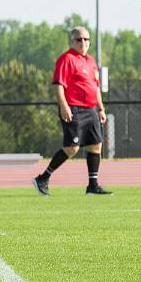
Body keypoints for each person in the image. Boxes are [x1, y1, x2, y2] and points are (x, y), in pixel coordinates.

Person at [33, 27, 110, 196]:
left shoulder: (91, 61)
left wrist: (101, 108)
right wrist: (64, 106)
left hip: (91, 109)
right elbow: (59, 85)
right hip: (74, 107)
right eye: (79, 39)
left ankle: (93, 185)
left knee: (96, 145)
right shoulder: (66, 59)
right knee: (72, 148)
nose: (83, 42)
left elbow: (95, 87)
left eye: (86, 39)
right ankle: (42, 178)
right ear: (72, 41)